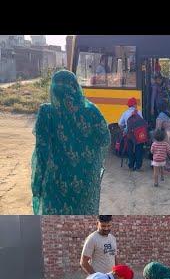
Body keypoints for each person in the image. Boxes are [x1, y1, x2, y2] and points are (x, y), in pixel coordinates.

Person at [31, 70, 110, 215]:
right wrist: (89, 157)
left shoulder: (46, 113)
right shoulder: (91, 111)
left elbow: (41, 152)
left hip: (54, 183)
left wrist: (37, 184)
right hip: (83, 181)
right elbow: (105, 139)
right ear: (75, 86)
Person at [119, 98, 147, 171]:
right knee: (139, 149)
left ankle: (131, 165)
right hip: (138, 135)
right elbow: (142, 124)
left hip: (129, 134)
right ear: (134, 105)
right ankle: (138, 166)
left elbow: (120, 124)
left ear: (129, 105)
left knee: (130, 150)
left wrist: (124, 130)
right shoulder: (139, 112)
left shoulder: (125, 113)